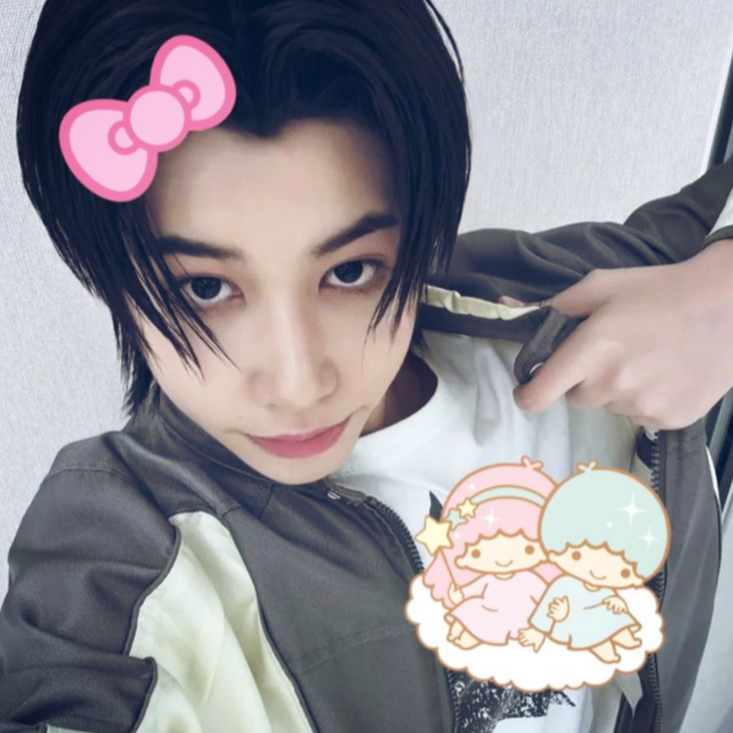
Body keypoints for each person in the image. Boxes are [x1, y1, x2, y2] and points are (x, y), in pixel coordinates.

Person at [1, 1, 732, 732]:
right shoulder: (119, 556)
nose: (298, 383)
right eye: (205, 288)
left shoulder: (567, 298)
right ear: (113, 279)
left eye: (349, 271)